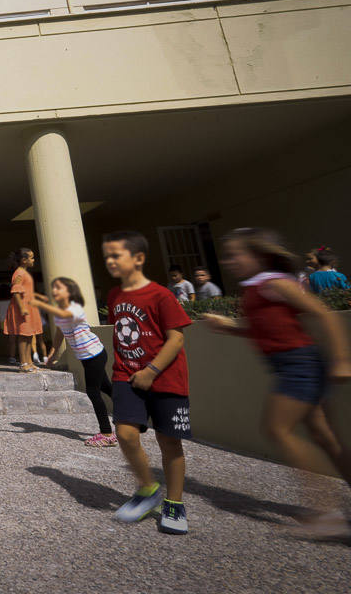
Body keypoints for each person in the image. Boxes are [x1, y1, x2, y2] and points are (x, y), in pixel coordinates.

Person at [200, 228, 351, 538]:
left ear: (258, 255)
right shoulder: (257, 288)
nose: (229, 261)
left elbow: (325, 315)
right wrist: (230, 328)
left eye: (235, 254)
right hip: (293, 365)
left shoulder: (275, 283)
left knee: (277, 430)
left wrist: (341, 359)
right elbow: (265, 331)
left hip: (300, 365)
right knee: (325, 438)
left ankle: (328, 514)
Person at [102, 230, 192, 535]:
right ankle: (147, 489)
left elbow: (176, 338)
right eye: (107, 256)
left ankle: (174, 503)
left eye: (116, 255)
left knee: (170, 443)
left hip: (166, 377)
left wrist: (152, 370)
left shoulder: (161, 295)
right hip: (126, 376)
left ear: (139, 258)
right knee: (125, 434)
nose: (110, 261)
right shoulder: (114, 296)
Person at [37, 277, 115, 447]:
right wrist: (51, 354)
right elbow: (59, 333)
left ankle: (107, 433)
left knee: (93, 392)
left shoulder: (75, 308)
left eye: (59, 288)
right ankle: (131, 413)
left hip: (94, 354)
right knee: (106, 387)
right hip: (87, 357)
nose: (55, 291)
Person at [3, 248, 41, 373]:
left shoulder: (24, 272)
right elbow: (16, 292)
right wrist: (22, 308)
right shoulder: (19, 273)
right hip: (22, 309)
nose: (33, 260)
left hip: (29, 307)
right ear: (24, 260)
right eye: (31, 257)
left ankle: (29, 362)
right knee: (23, 337)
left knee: (29, 336)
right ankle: (23, 363)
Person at [0, 283, 16, 364]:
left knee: (8, 341)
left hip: (2, 321)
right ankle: (12, 357)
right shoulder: (12, 300)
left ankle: (10, 356)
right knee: (13, 341)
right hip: (11, 321)